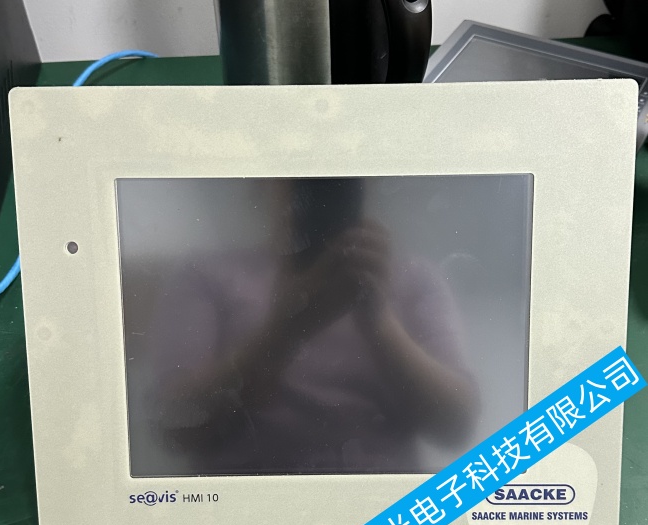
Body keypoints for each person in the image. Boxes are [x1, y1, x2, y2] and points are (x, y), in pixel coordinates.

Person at [141, 179, 478, 475]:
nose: (317, 188)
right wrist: (286, 328)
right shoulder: (205, 276)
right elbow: (175, 427)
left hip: (380, 507)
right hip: (246, 504)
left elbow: (458, 425)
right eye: (303, 178)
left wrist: (378, 320)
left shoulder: (412, 280)